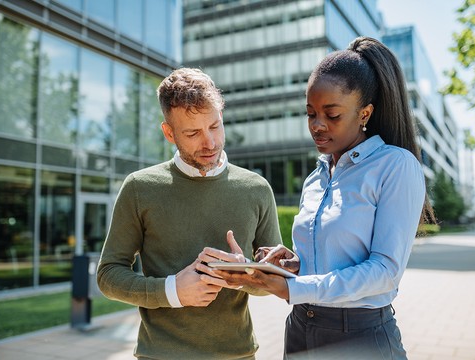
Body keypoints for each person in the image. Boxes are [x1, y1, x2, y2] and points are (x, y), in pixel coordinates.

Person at [206, 36, 435, 359]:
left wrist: (293, 288)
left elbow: (385, 270)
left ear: (365, 113)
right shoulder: (316, 177)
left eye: (332, 114)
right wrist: (293, 264)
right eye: (310, 113)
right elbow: (327, 264)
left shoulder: (395, 166)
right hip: (301, 328)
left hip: (359, 336)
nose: (317, 125)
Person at [96, 67, 282, 359]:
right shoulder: (139, 188)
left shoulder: (256, 189)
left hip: (238, 354)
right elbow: (108, 275)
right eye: (193, 133)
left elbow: (272, 282)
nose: (209, 142)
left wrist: (244, 272)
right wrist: (172, 291)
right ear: (169, 133)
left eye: (215, 126)